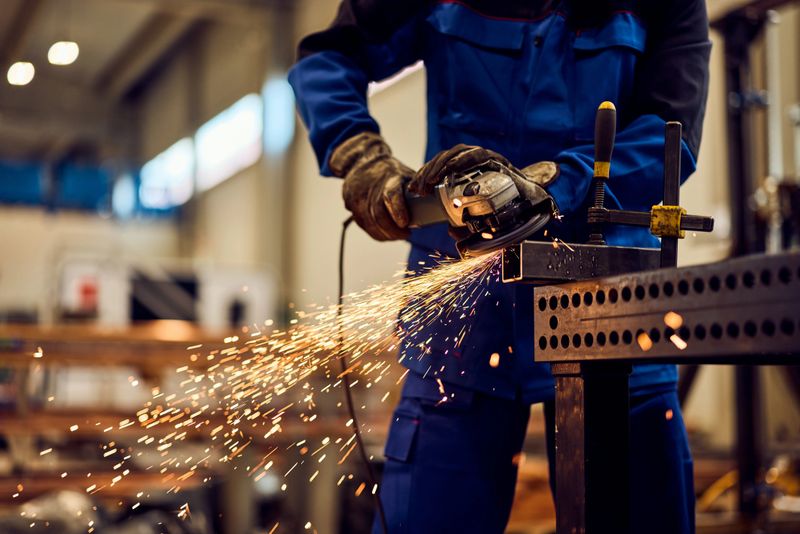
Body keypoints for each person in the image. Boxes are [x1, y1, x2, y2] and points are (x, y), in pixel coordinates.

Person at [289, 0, 710, 532]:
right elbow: (326, 60)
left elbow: (673, 136)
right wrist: (358, 153)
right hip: (463, 317)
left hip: (613, 310)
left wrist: (556, 181)